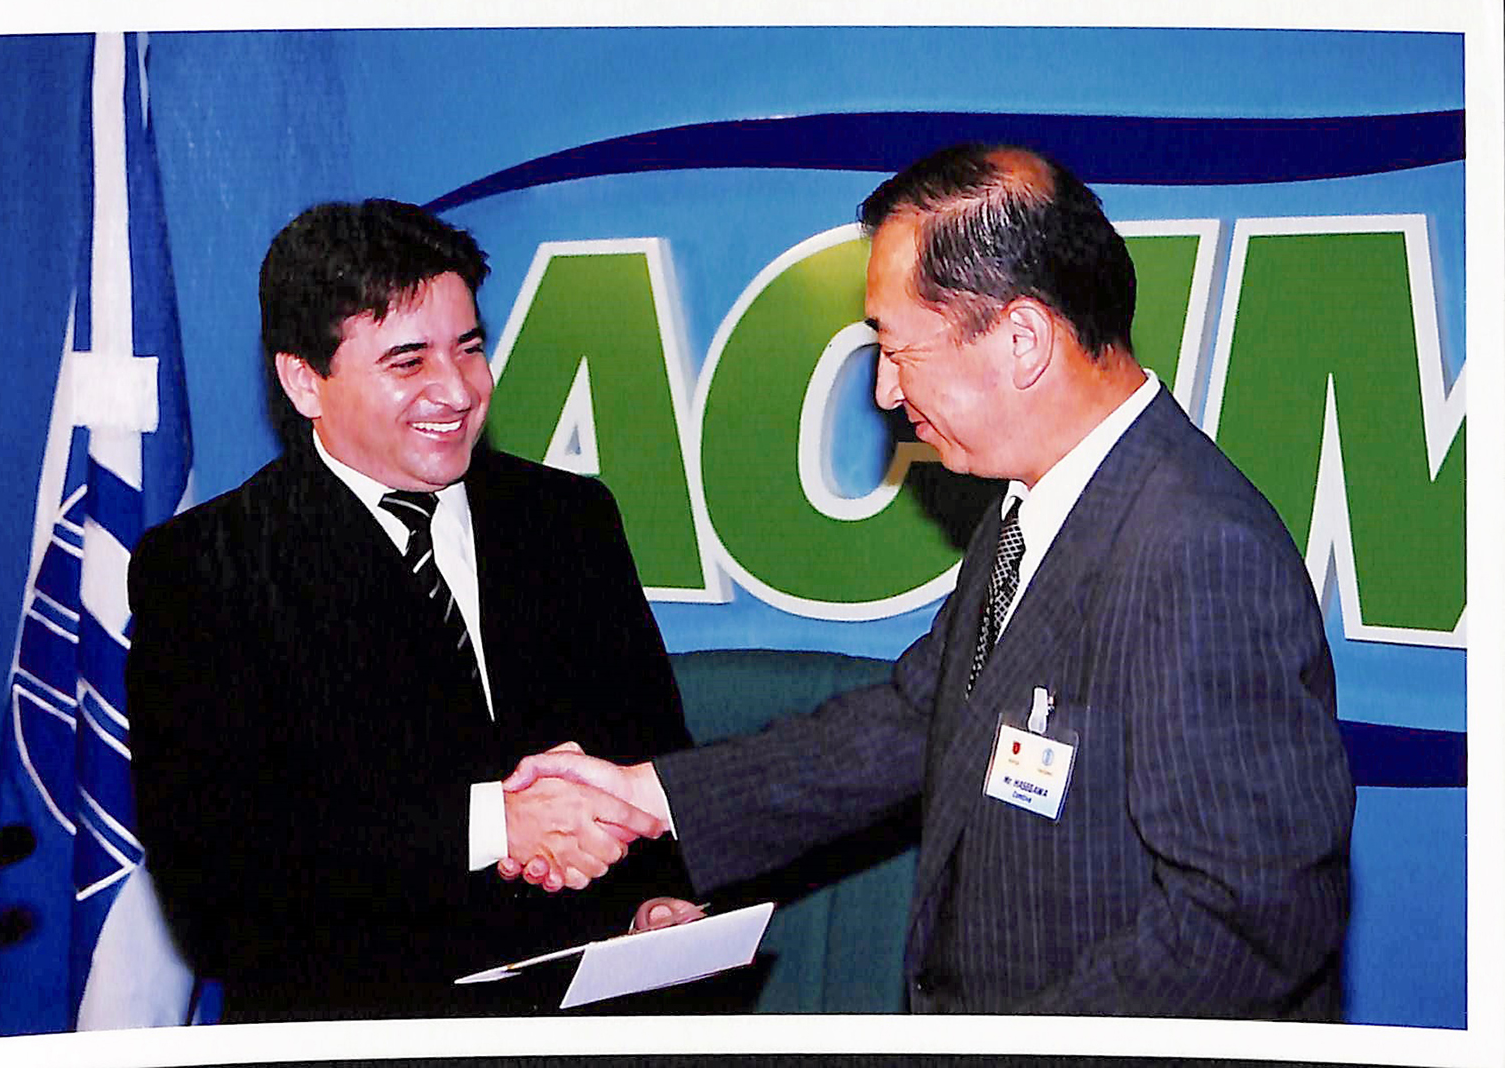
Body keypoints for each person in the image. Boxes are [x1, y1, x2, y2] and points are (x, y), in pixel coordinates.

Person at [501, 143, 1357, 1019]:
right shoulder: (1037, 503)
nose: (883, 390)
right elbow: (921, 717)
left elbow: (1249, 917)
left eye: (897, 347)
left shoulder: (1198, 550)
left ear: (1022, 339)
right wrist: (649, 796)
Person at [126, 199, 696, 1022]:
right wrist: (492, 825)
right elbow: (218, 887)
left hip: (585, 1020)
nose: (457, 389)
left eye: (469, 347)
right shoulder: (207, 568)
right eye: (408, 361)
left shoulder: (568, 520)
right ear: (304, 380)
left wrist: (658, 903)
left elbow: (652, 756)